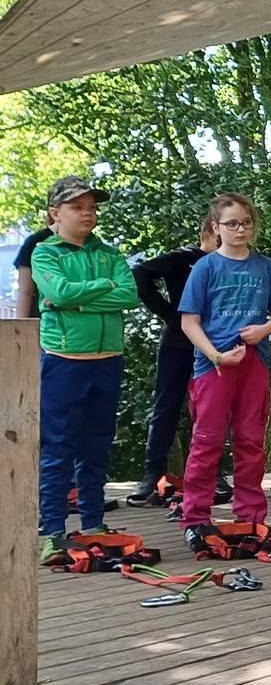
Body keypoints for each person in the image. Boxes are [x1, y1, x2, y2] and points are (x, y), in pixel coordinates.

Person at [31, 177, 140, 565]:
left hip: (108, 359)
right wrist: (100, 290)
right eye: (77, 207)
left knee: (96, 445)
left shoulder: (109, 252)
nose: (88, 213)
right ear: (55, 214)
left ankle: (93, 523)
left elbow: (129, 294)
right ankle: (53, 531)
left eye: (92, 206)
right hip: (64, 360)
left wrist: (78, 299)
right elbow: (58, 293)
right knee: (59, 447)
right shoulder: (45, 253)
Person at [177, 192, 271, 550]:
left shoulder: (266, 266)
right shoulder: (205, 268)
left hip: (255, 361)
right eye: (232, 223)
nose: (240, 229)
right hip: (215, 367)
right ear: (216, 227)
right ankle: (196, 518)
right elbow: (189, 322)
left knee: (250, 440)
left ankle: (251, 516)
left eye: (246, 222)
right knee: (207, 442)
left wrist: (263, 331)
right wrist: (215, 356)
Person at [128, 216, 231, 506]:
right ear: (212, 230)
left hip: (214, 345)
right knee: (166, 407)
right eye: (226, 228)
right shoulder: (182, 258)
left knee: (211, 410)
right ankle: (152, 474)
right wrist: (170, 315)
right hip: (177, 343)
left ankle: (213, 472)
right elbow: (141, 274)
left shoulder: (232, 264)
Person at [13, 214, 52, 320]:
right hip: (41, 320)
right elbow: (25, 291)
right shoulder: (35, 242)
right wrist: (21, 329)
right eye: (77, 207)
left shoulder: (92, 244)